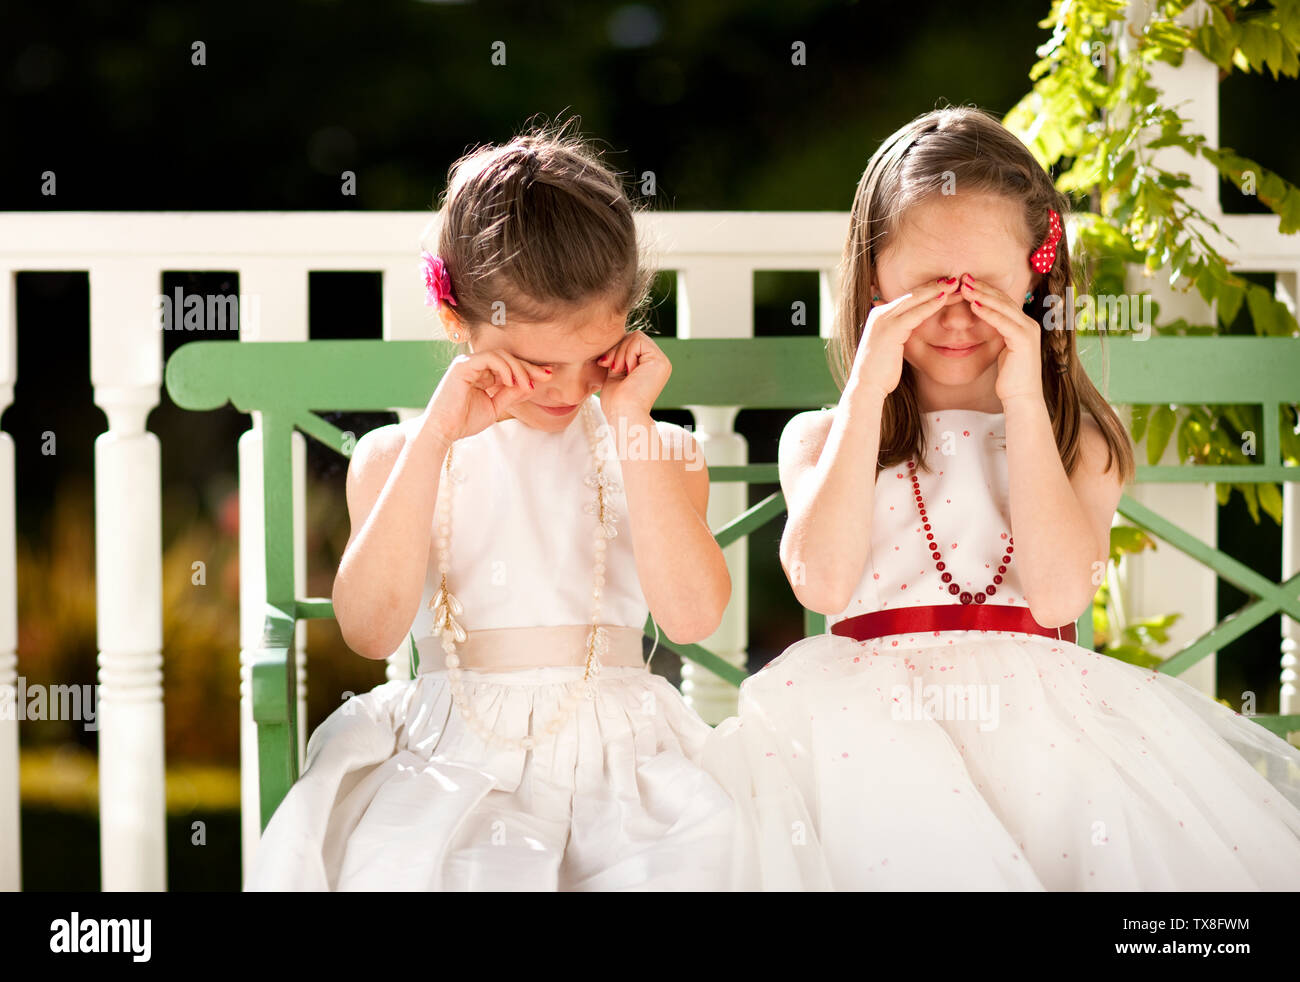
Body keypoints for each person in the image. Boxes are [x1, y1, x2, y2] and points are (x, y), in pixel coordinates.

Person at [703, 106, 1300, 890]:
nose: (956, 315)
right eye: (925, 288)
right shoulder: (824, 439)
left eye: (984, 288)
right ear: (874, 278)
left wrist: (1025, 402)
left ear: (1035, 278)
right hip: (867, 742)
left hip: (1044, 739)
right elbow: (822, 583)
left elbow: (1057, 594)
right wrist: (868, 390)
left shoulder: (1075, 439)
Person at [246, 120, 737, 891]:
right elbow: (371, 630)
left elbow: (693, 619)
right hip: (450, 761)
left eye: (595, 358)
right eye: (541, 363)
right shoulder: (398, 459)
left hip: (623, 767)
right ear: (456, 321)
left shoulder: (655, 452)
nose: (572, 390)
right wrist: (437, 435)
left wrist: (634, 424)